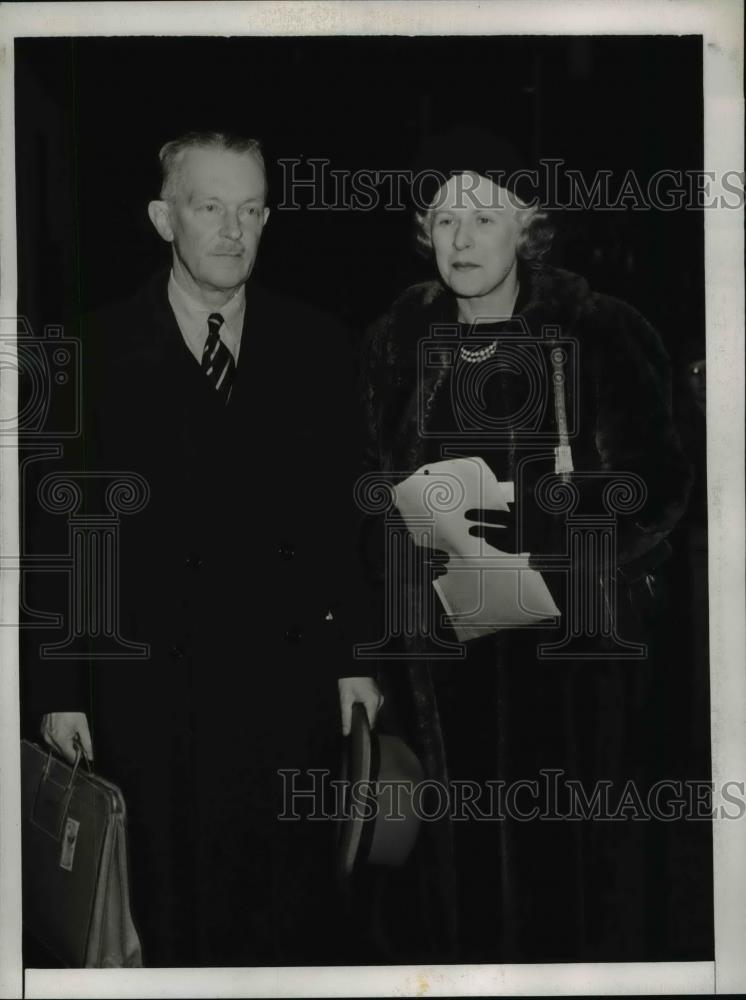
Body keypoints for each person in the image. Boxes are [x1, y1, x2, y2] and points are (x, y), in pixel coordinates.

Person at [26, 131, 381, 966]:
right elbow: (59, 531)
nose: (233, 230)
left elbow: (350, 521)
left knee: (287, 918)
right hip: (144, 692)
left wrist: (355, 659)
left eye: (251, 209)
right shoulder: (89, 350)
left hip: (284, 691)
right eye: (209, 206)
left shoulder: (318, 343)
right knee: (160, 914)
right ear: (163, 218)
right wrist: (59, 686)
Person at [360, 128, 693, 962]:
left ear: (527, 228)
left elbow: (658, 485)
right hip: (440, 670)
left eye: (484, 218)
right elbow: (362, 489)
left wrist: (526, 532)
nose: (462, 240)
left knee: (574, 889)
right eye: (444, 221)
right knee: (452, 895)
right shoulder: (396, 342)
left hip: (573, 667)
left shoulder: (596, 330)